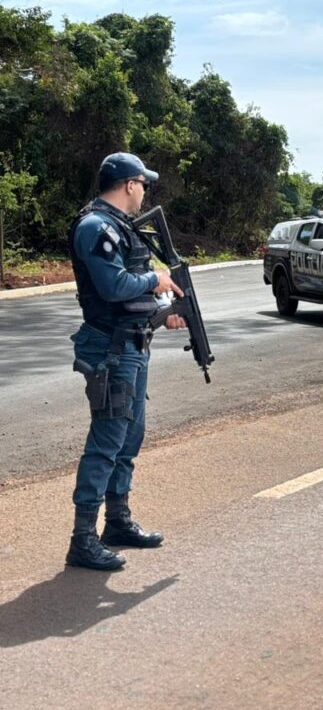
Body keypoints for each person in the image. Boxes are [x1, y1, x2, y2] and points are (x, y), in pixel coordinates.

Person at [66, 152, 186, 571]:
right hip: (110, 350)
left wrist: (163, 307)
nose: (144, 192)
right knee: (106, 442)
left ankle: (116, 522)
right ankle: (82, 540)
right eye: (143, 184)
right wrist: (155, 280)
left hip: (133, 345)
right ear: (129, 184)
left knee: (129, 437)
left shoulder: (120, 228)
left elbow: (131, 286)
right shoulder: (96, 227)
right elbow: (113, 286)